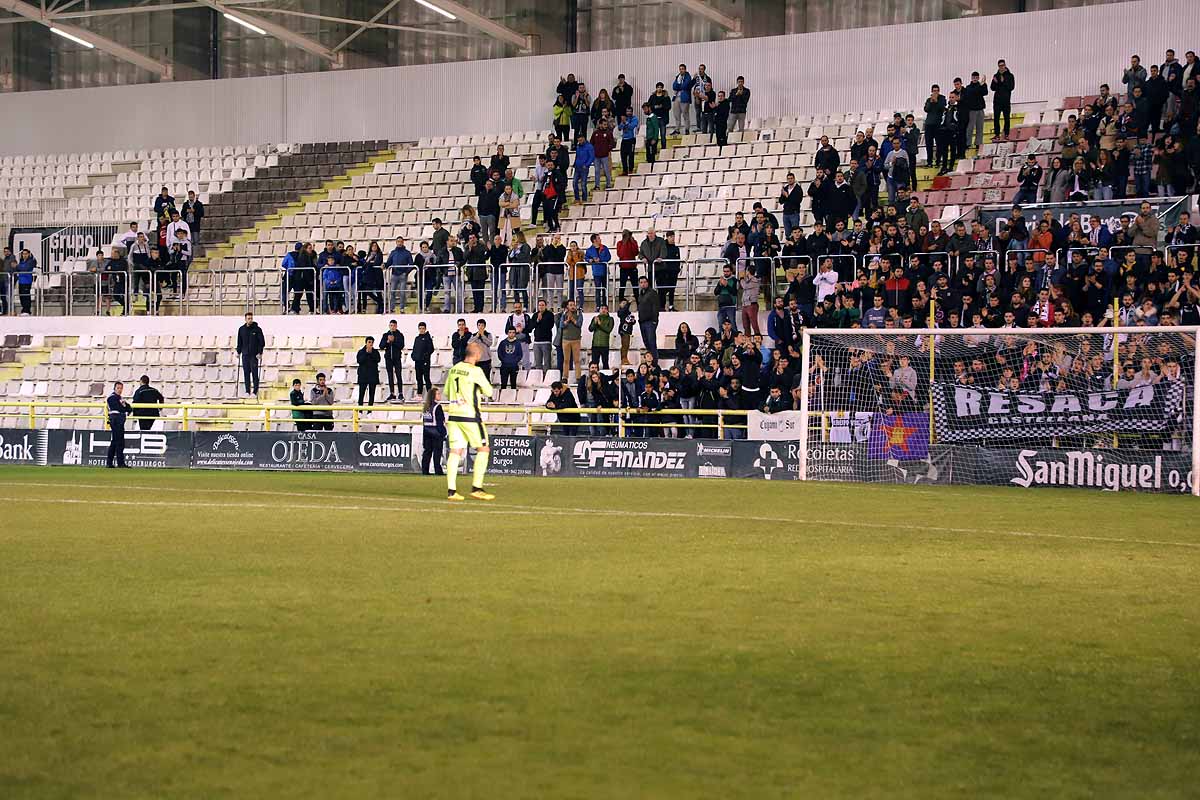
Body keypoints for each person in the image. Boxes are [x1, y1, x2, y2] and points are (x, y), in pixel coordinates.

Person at [443, 341, 495, 502]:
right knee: (484, 448)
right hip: (470, 416)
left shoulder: (454, 369)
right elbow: (489, 391)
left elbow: (446, 391)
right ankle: (477, 487)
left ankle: (452, 491)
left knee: (455, 452)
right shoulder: (475, 371)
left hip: (453, 416)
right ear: (477, 355)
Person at [235, 312, 264, 397]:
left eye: (251, 318)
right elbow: (239, 342)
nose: (250, 320)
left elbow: (261, 342)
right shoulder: (241, 329)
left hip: (254, 355)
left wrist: (260, 352)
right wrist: (238, 351)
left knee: (255, 373)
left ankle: (255, 391)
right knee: (246, 373)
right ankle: (247, 391)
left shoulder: (257, 329)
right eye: (248, 318)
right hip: (245, 355)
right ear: (245, 319)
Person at [105, 381, 132, 469]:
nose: (120, 390)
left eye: (121, 388)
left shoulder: (120, 398)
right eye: (118, 388)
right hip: (115, 420)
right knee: (119, 441)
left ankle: (110, 462)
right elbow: (120, 408)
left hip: (119, 420)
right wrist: (124, 407)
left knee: (116, 441)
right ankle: (119, 463)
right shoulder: (111, 398)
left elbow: (129, 408)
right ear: (115, 388)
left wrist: (125, 407)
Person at [421, 388, 447, 476]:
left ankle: (425, 470)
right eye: (438, 394)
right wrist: (443, 433)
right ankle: (438, 470)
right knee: (437, 452)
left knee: (427, 451)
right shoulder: (437, 406)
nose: (440, 395)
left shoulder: (426, 406)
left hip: (426, 430)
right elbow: (440, 421)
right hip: (436, 431)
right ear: (433, 396)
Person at [379, 320, 405, 402]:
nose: (392, 327)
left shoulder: (400, 335)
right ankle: (392, 393)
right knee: (390, 376)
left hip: (397, 358)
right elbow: (381, 346)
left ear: (396, 326)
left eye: (393, 325)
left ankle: (400, 393)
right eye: (390, 325)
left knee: (398, 375)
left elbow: (401, 345)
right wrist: (387, 341)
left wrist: (394, 341)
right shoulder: (385, 335)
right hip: (388, 358)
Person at [636, 276, 660, 362]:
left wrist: (654, 320)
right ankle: (650, 362)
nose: (643, 284)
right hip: (642, 321)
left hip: (650, 321)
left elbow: (656, 307)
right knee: (646, 343)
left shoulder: (652, 293)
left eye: (644, 282)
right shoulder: (641, 294)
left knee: (651, 343)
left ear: (648, 283)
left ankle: (654, 363)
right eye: (641, 282)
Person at [990, 59, 1014, 141]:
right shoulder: (995, 76)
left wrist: (1002, 82)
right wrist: (997, 83)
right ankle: (997, 134)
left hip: (1006, 101)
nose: (1001, 67)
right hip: (997, 101)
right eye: (1000, 66)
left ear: (1005, 65)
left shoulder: (1010, 76)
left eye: (1002, 65)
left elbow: (1011, 87)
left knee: (1006, 118)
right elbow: (992, 88)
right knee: (996, 118)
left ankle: (1006, 134)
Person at [356, 336, 381, 409]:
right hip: (363, 376)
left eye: (372, 342)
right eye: (369, 342)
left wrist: (371, 353)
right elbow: (359, 360)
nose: (371, 344)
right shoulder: (361, 352)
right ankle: (360, 410)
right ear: (366, 343)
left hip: (372, 376)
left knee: (372, 395)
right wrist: (366, 353)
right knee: (361, 395)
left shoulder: (375, 352)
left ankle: (370, 411)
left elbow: (378, 359)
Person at [411, 321, 434, 397]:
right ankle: (419, 395)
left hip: (425, 362)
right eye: (420, 328)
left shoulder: (428, 338)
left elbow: (431, 349)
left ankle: (430, 395)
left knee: (426, 378)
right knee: (418, 378)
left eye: (423, 328)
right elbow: (415, 348)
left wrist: (425, 357)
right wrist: (413, 356)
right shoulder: (417, 338)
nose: (421, 330)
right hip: (417, 361)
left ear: (425, 329)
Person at [588, 302, 614, 368]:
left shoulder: (610, 319)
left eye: (605, 308)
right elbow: (590, 329)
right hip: (595, 345)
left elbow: (608, 330)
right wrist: (595, 323)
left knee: (605, 363)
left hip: (604, 345)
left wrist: (600, 324)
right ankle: (594, 377)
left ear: (607, 310)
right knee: (594, 363)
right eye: (602, 308)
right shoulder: (595, 318)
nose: (603, 310)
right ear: (599, 310)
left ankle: (606, 377)